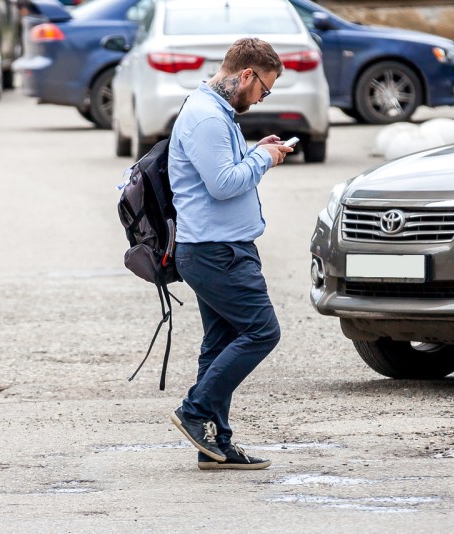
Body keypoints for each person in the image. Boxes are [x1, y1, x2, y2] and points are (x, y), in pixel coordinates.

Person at [167, 38, 293, 470]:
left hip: (216, 248)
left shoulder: (215, 113)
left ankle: (215, 445)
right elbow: (222, 184)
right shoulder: (207, 117)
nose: (262, 99)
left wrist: (255, 149)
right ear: (246, 75)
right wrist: (264, 160)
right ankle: (195, 412)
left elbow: (219, 171)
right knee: (262, 332)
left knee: (219, 344)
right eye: (264, 89)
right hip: (216, 252)